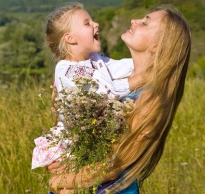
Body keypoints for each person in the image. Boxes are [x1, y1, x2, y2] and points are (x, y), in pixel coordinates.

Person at [47, 5, 191, 194]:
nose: (134, 21)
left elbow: (113, 165)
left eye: (145, 23)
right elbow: (72, 126)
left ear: (157, 45)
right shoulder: (108, 73)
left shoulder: (151, 98)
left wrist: (59, 182)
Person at [31, 2, 140, 170]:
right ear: (70, 38)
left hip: (94, 136)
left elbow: (120, 67)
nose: (96, 24)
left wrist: (147, 61)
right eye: (87, 23)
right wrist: (138, 80)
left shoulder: (95, 59)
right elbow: (104, 94)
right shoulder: (66, 70)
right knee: (74, 182)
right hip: (74, 142)